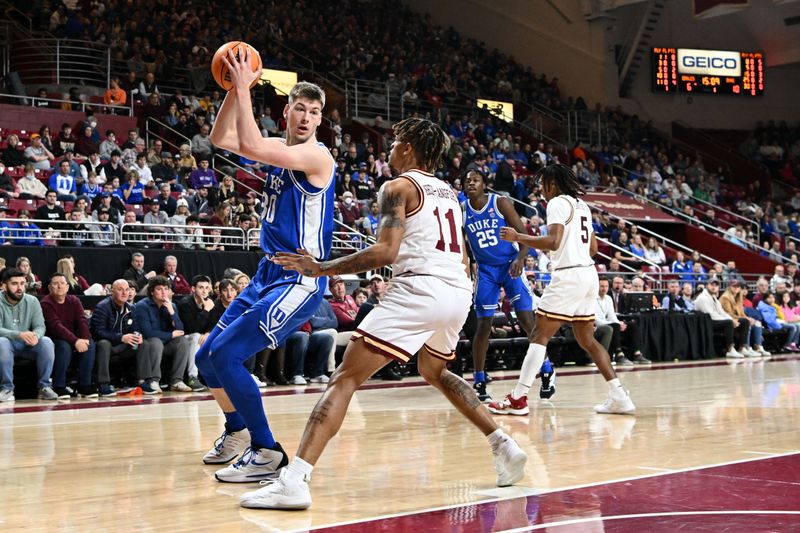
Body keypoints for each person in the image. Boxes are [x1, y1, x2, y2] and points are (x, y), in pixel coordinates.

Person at [258, 116, 527, 510]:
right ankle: (503, 444)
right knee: (434, 371)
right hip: (457, 291)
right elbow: (462, 254)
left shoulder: (397, 187)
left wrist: (323, 267)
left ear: (410, 149)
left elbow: (385, 252)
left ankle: (294, 479)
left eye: (397, 142)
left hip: (420, 288)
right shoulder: (450, 195)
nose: (391, 148)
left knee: (344, 378)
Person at [194, 75, 336, 481]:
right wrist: (229, 88)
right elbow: (222, 138)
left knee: (226, 356)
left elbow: (253, 146)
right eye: (300, 109)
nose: (307, 117)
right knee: (206, 357)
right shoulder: (280, 149)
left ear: (320, 119)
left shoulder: (317, 156)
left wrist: (243, 86)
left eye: (315, 112)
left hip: (299, 278)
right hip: (266, 272)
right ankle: (237, 431)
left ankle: (267, 450)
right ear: (286, 112)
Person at [486, 164, 635, 417]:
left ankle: (518, 398)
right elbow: (593, 249)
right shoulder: (582, 206)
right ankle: (619, 396)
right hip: (589, 274)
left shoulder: (556, 203)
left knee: (538, 335)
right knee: (587, 339)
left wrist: (518, 237)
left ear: (552, 184)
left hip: (569, 275)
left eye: (542, 184)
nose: (541, 190)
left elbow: (553, 241)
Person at [462, 168, 550, 404]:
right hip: (486, 270)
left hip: (510, 265)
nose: (471, 183)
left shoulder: (500, 202)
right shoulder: (462, 210)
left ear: (484, 184)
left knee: (527, 321)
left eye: (475, 180)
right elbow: (463, 246)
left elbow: (523, 236)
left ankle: (547, 369)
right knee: (483, 325)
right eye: (467, 180)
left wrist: (521, 259)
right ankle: (479, 379)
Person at [0, 268, 58, 402]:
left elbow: (40, 326)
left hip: (27, 344)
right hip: (6, 344)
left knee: (47, 342)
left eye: (22, 283)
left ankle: (45, 387)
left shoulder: (32, 301)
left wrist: (36, 336)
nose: (19, 287)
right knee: (2, 342)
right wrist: (18, 334)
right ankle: (6, 388)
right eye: (14, 284)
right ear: (3, 285)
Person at [41, 273, 98, 398]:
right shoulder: (46, 303)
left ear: (67, 287)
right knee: (64, 346)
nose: (59, 286)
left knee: (90, 343)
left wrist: (84, 338)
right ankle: (59, 386)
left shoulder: (74, 300)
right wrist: (75, 341)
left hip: (73, 337)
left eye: (62, 283)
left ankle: (85, 385)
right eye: (55, 284)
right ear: (50, 288)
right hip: (53, 338)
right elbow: (56, 327)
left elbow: (82, 320)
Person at [133, 276, 192, 392]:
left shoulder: (172, 305)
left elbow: (180, 331)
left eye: (166, 288)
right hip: (149, 344)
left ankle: (177, 381)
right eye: (159, 289)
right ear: (152, 292)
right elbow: (148, 332)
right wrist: (170, 335)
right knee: (156, 342)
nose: (164, 292)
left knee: (183, 341)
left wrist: (172, 312)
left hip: (166, 345)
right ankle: (154, 381)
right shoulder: (142, 306)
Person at [175, 275, 215, 392]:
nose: (204, 291)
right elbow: (192, 328)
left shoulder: (210, 302)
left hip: (202, 337)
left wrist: (208, 333)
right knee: (197, 336)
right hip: (185, 339)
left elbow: (213, 324)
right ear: (193, 289)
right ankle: (192, 377)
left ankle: (214, 377)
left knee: (213, 338)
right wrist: (206, 310)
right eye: (201, 287)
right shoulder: (185, 304)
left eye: (207, 288)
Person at [693, 279, 748, 358]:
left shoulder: (714, 298)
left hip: (716, 320)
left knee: (744, 321)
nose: (714, 287)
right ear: (707, 286)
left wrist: (732, 319)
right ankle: (730, 349)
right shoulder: (702, 298)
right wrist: (730, 320)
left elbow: (722, 312)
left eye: (716, 286)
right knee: (728, 323)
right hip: (706, 323)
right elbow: (711, 315)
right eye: (712, 285)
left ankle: (742, 348)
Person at [720, 282, 768, 356]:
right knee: (746, 322)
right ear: (730, 287)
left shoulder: (739, 297)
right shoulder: (725, 297)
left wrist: (748, 318)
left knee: (757, 322)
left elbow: (742, 313)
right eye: (734, 286)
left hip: (738, 319)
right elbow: (728, 313)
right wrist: (746, 319)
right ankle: (745, 347)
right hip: (729, 319)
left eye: (738, 286)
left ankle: (758, 347)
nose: (736, 288)